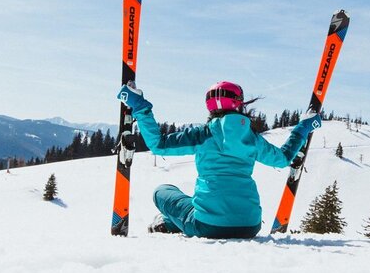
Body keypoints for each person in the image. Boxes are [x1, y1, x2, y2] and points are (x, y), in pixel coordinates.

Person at [117, 80, 321, 239]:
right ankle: (170, 223)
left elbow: (158, 144)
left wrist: (140, 107)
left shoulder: (202, 134)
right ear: (239, 104)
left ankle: (169, 222)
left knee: (162, 192)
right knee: (194, 206)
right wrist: (303, 127)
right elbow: (284, 158)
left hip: (208, 226)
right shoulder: (251, 138)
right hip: (250, 226)